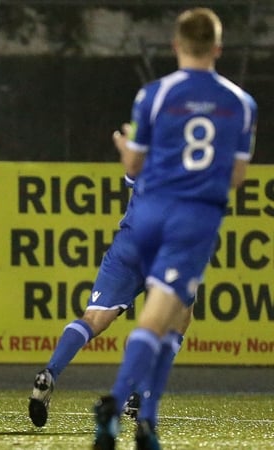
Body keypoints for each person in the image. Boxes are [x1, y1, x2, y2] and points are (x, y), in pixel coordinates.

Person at [93, 8, 257, 450]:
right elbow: (238, 178)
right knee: (166, 316)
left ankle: (145, 421)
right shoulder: (241, 104)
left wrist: (124, 148)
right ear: (219, 48)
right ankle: (121, 406)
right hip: (193, 218)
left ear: (176, 46)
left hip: (148, 215)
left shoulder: (154, 95)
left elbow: (134, 164)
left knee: (168, 316)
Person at [28, 180, 194, 428]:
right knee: (177, 320)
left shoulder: (147, 146)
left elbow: (131, 166)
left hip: (130, 242)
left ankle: (50, 372)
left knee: (93, 319)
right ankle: (139, 393)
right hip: (168, 245)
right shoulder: (198, 154)